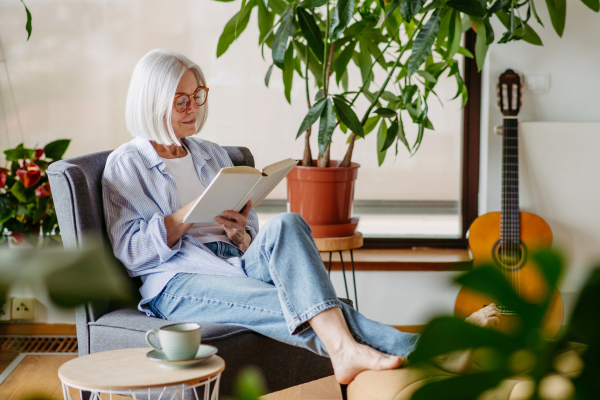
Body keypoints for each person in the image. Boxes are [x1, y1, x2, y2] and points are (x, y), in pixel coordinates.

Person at [102, 49, 500, 384]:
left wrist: (243, 233)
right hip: (176, 282)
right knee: (297, 301)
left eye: (197, 95)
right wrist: (188, 214)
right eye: (181, 100)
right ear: (153, 102)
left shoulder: (209, 152)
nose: (194, 108)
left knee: (291, 223)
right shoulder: (127, 165)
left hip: (233, 260)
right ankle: (421, 351)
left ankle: (364, 351)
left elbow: (249, 226)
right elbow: (131, 252)